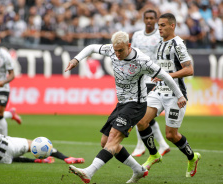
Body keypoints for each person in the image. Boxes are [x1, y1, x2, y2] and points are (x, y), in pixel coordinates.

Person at [65, 31, 187, 183]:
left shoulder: (142, 61)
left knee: (113, 140)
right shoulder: (112, 49)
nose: (117, 54)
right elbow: (91, 47)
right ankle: (138, 170)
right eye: (115, 50)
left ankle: (89, 172)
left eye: (120, 50)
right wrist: (76, 59)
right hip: (121, 104)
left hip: (136, 105)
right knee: (105, 143)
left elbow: (166, 76)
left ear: (129, 46)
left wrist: (180, 95)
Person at [136, 13, 201, 178]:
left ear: (172, 26)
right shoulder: (159, 43)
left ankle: (192, 157)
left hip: (175, 94)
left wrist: (167, 76)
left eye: (163, 25)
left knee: (171, 135)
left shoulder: (178, 44)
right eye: (159, 26)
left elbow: (189, 69)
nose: (159, 28)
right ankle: (154, 154)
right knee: (142, 121)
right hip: (158, 90)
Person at [130, 9, 170, 157]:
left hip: (152, 78)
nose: (148, 21)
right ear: (143, 19)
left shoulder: (160, 36)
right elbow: (132, 54)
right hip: (138, 77)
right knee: (144, 115)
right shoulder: (137, 35)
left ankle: (140, 146)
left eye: (151, 18)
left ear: (156, 20)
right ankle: (163, 144)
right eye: (146, 18)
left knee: (139, 111)